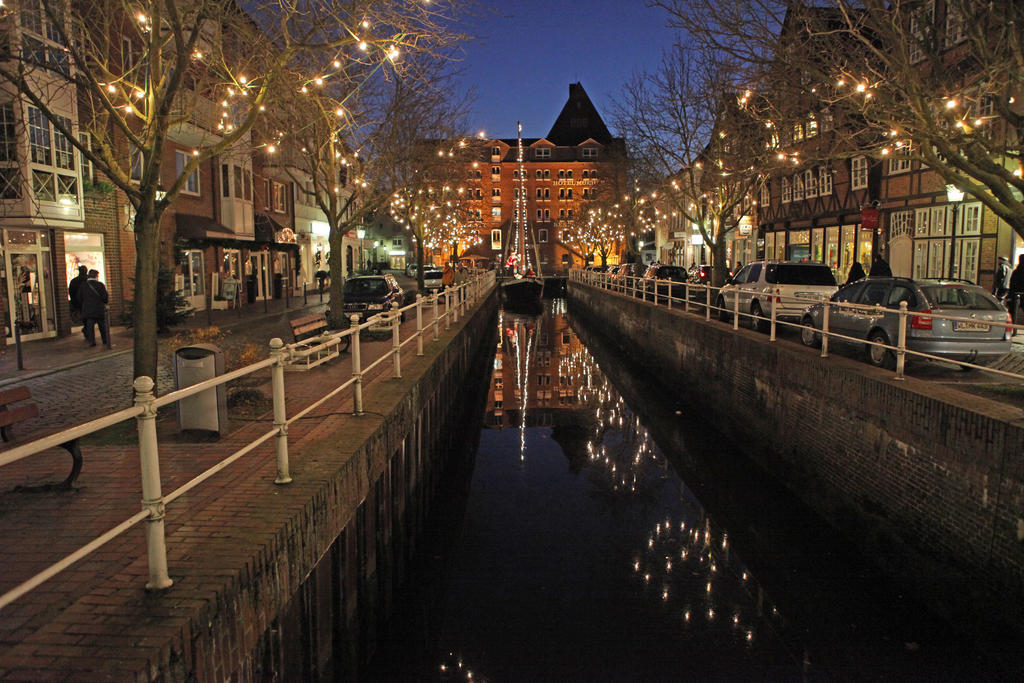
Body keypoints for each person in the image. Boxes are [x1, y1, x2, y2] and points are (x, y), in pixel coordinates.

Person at [80, 269, 109, 347]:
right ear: (96, 276)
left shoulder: (84, 285)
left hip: (88, 309)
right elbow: (105, 298)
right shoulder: (100, 285)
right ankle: (105, 340)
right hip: (98, 309)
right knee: (102, 326)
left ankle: (92, 341)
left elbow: (79, 297)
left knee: (90, 326)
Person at [1008, 255, 1024, 325]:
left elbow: (1012, 284)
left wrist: (1010, 295)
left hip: (1015, 294)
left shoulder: (1016, 271)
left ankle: (1012, 327)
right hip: (1022, 294)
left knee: (1013, 312)